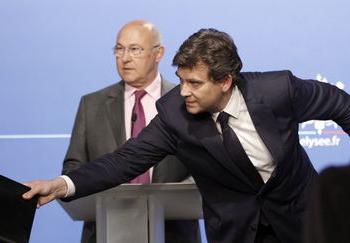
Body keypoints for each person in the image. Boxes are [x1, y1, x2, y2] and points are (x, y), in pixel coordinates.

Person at [23, 28, 350, 243]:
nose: (184, 92)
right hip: (236, 232)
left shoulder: (279, 90)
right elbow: (126, 160)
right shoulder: (174, 115)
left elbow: (341, 105)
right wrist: (63, 184)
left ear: (225, 82)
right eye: (181, 81)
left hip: (303, 223)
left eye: (195, 83)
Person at [62, 20, 200, 243]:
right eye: (119, 49)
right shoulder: (92, 104)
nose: (124, 58)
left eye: (134, 49)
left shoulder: (186, 101)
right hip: (105, 231)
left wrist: (169, 198)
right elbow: (73, 167)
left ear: (158, 53)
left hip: (174, 233)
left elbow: (202, 166)